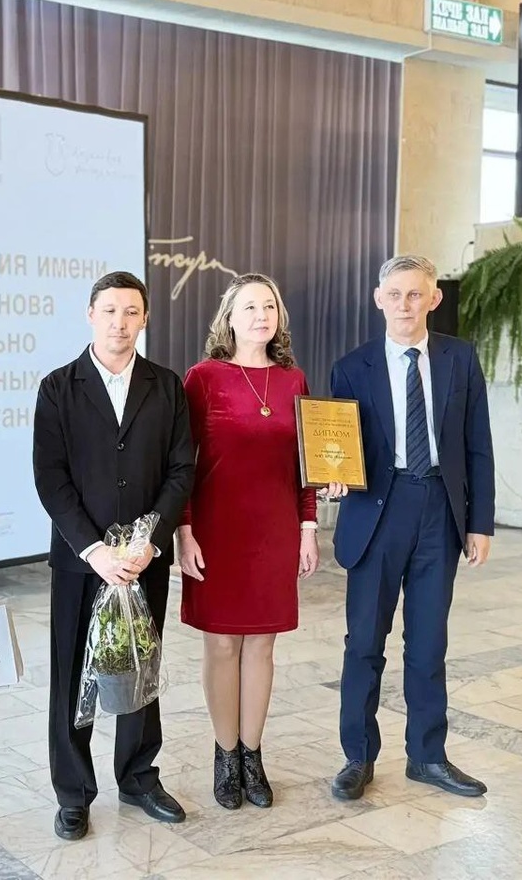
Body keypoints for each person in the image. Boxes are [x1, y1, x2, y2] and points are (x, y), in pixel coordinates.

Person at [33, 270, 195, 841]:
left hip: (144, 559)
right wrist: (95, 549)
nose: (120, 322)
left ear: (144, 318)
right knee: (70, 675)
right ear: (90, 315)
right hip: (81, 562)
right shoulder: (58, 387)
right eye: (110, 311)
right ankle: (73, 793)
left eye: (131, 312)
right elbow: (50, 478)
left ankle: (139, 777)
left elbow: (182, 470)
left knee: (138, 666)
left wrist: (151, 540)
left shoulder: (166, 386)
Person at [329, 254, 495, 802]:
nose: (405, 304)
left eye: (415, 294)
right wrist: (331, 477)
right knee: (364, 643)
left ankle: (427, 756)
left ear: (434, 298)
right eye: (395, 294)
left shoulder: (460, 358)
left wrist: (480, 521)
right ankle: (358, 756)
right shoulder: (351, 367)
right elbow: (337, 446)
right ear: (379, 300)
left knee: (428, 643)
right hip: (377, 509)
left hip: (439, 510)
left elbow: (478, 444)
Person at [177, 273, 342, 810]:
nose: (260, 315)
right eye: (248, 307)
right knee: (222, 645)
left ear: (279, 317)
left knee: (263, 645)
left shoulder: (294, 380)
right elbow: (181, 463)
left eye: (268, 306)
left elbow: (305, 465)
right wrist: (184, 530)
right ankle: (225, 756)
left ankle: (253, 754)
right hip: (216, 531)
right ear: (229, 317)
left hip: (274, 530)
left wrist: (308, 529)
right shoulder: (203, 378)